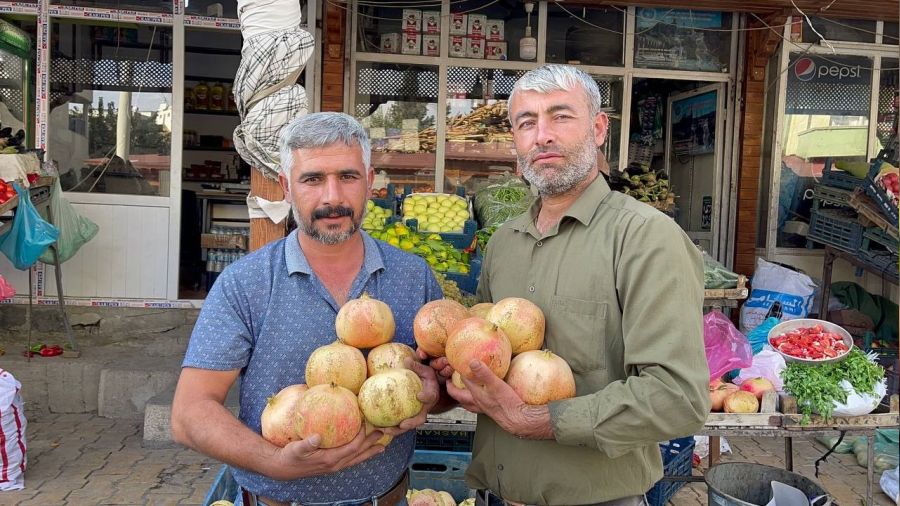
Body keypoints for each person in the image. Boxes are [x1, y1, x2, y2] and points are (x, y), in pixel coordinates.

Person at [430, 65, 710, 506]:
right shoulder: (504, 243)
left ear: (599, 129)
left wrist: (541, 419)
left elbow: (678, 397)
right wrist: (460, 376)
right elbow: (488, 357)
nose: (542, 135)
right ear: (515, 140)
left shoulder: (644, 237)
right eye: (527, 122)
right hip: (492, 493)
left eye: (560, 116)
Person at [171, 112, 443, 506]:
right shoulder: (246, 283)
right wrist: (274, 462)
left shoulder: (412, 276)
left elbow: (443, 385)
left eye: (348, 177)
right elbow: (188, 413)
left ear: (369, 182)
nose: (332, 197)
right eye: (313, 179)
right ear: (286, 187)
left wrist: (434, 396)